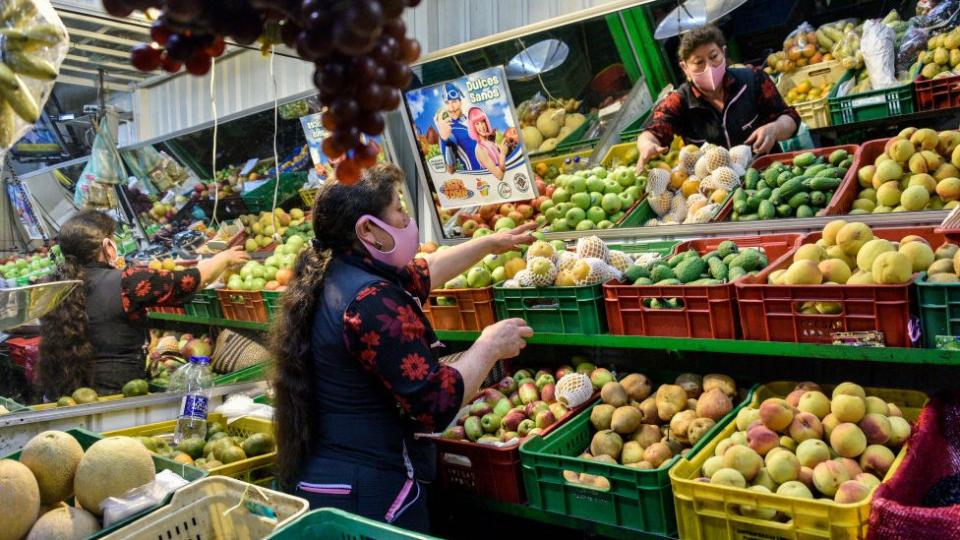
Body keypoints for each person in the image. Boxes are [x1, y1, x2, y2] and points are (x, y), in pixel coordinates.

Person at [271, 163, 534, 532]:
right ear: (367, 229)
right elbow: (435, 403)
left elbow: (427, 271)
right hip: (369, 492)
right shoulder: (371, 302)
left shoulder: (337, 269)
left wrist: (490, 243)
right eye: (398, 209)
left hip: (330, 475)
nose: (407, 219)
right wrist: (489, 345)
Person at [37, 211, 249, 397]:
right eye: (113, 238)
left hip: (68, 389)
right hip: (120, 391)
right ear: (108, 246)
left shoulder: (51, 285)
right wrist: (224, 258)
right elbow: (188, 281)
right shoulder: (126, 281)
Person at [635, 25, 801, 169]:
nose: (709, 66)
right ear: (685, 68)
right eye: (699, 62)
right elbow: (654, 130)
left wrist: (775, 129)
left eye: (714, 57)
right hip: (717, 192)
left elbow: (791, 118)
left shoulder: (753, 79)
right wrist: (647, 145)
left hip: (768, 173)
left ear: (723, 53)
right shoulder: (680, 101)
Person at [434, 83, 482, 173]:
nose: (451, 108)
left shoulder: (473, 119)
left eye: (454, 101)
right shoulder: (448, 130)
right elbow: (450, 170)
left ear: (461, 102)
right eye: (447, 103)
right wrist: (444, 139)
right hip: (479, 178)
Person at [466, 106, 513, 180]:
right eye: (477, 124)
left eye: (482, 122)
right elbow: (499, 176)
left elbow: (504, 168)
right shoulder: (480, 149)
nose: (481, 126)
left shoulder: (492, 143)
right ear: (473, 127)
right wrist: (503, 154)